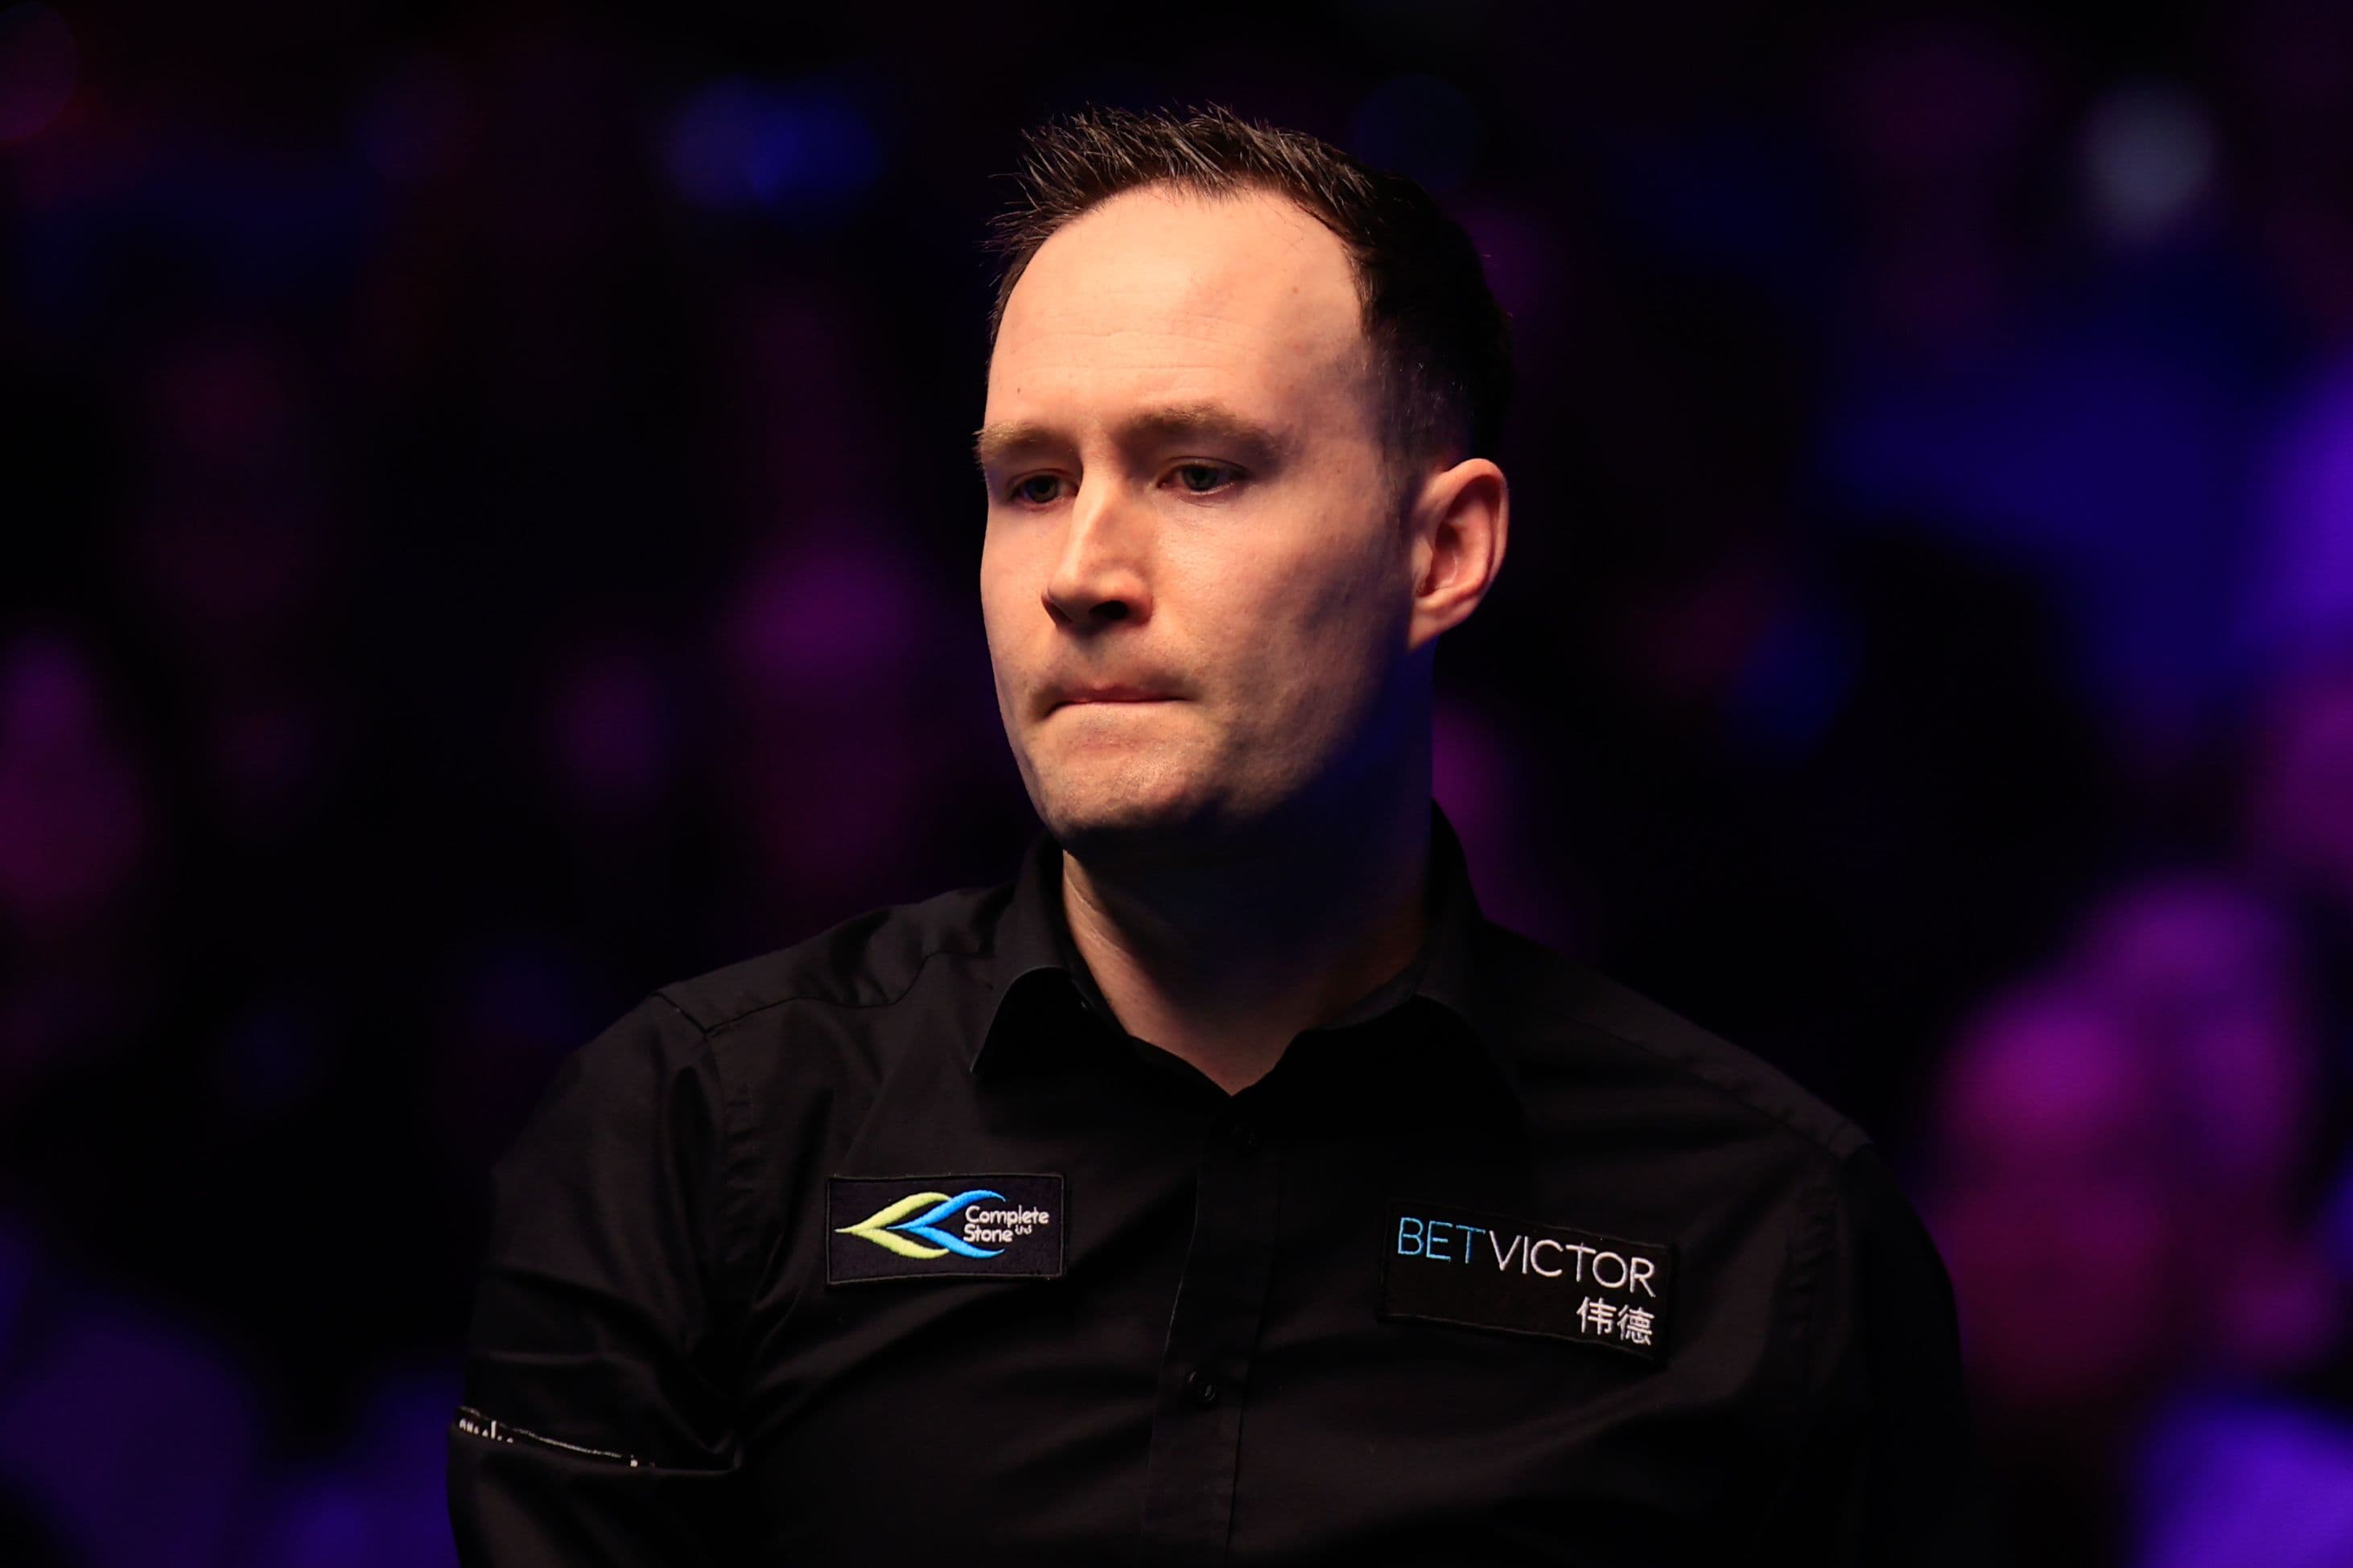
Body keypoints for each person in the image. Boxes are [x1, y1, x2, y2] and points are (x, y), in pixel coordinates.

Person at [447, 104, 1984, 1565]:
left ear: (1443, 549)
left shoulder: (1768, 1238)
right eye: (1032, 483)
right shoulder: (692, 1136)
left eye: (1199, 473)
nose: (1082, 571)